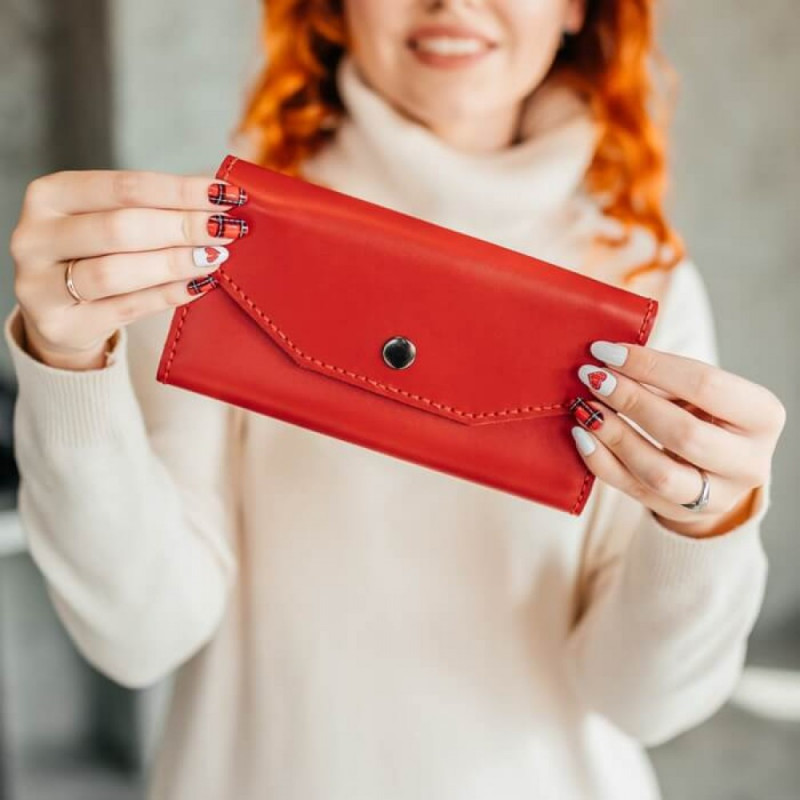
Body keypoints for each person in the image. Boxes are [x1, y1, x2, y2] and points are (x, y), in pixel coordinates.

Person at [3, 1, 786, 798]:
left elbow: (644, 703)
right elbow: (141, 633)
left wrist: (703, 530)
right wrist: (67, 365)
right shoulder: (214, 242)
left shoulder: (646, 285)